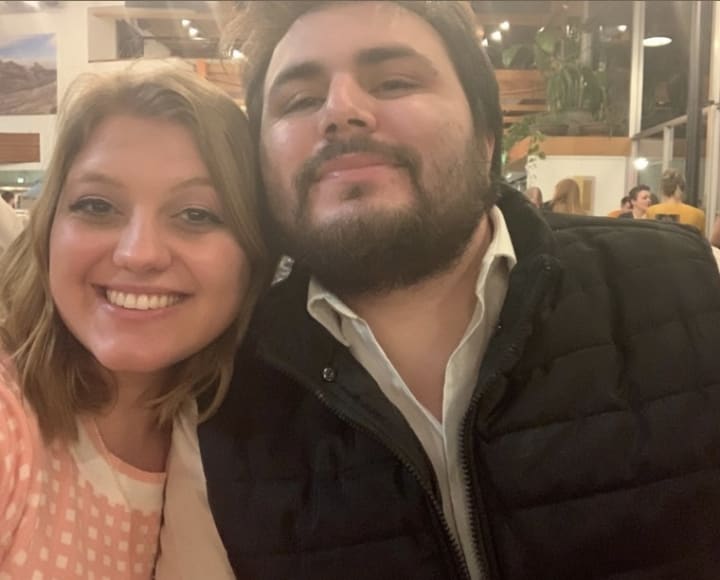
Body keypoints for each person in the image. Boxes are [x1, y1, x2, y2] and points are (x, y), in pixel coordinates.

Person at [180, 2, 720, 579]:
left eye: (394, 82)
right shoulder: (216, 390)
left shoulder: (688, 287)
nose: (339, 111)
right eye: (298, 101)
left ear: (487, 135)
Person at [0, 67, 269, 579]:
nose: (138, 254)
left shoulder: (261, 448)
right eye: (97, 206)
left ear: (255, 254)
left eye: (195, 215)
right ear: (49, 228)